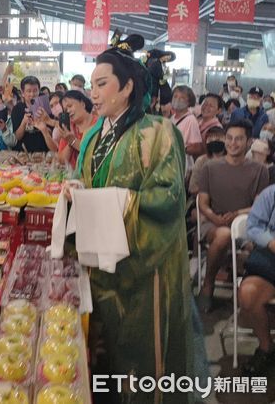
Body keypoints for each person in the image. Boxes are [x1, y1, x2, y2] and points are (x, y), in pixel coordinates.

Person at [73, 34, 194, 403]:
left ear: (127, 87)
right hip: (103, 265)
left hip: (146, 272)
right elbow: (92, 183)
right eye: (92, 85)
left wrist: (117, 201)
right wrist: (77, 191)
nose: (93, 93)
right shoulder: (96, 137)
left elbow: (168, 200)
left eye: (102, 84)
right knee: (107, 359)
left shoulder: (159, 133)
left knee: (144, 362)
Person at [196, 119, 269, 312]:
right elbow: (202, 202)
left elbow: (258, 204)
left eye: (238, 139)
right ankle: (207, 285)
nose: (232, 143)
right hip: (213, 223)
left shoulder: (260, 170)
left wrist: (237, 214)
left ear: (248, 141)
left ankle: (250, 296)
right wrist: (214, 217)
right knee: (223, 235)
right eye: (229, 138)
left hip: (246, 224)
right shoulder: (210, 168)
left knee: (261, 245)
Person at [239, 184, 275, 374]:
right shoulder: (271, 194)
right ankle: (266, 347)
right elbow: (253, 227)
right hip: (271, 256)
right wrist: (270, 242)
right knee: (248, 293)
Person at [11, 76, 55, 152]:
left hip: (43, 152)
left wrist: (43, 125)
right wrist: (24, 122)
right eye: (29, 91)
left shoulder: (45, 107)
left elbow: (52, 134)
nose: (32, 94)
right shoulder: (17, 109)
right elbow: (17, 137)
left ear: (39, 91)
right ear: (22, 93)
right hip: (23, 152)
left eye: (35, 90)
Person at [56, 90, 97, 168]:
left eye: (70, 106)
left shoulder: (98, 125)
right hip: (71, 178)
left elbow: (94, 155)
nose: (68, 111)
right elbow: (61, 161)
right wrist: (69, 143)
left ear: (82, 103)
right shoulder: (69, 128)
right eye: (65, 110)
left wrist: (73, 141)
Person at [171, 85, 204, 177]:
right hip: (172, 165)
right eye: (175, 96)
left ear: (189, 101)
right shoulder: (173, 118)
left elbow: (197, 147)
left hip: (182, 167)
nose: (177, 99)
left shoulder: (191, 120)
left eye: (182, 97)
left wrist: (180, 148)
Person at [188, 126, 226, 195]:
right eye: (210, 139)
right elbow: (192, 188)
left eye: (218, 138)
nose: (214, 141)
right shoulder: (201, 161)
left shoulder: (231, 161)